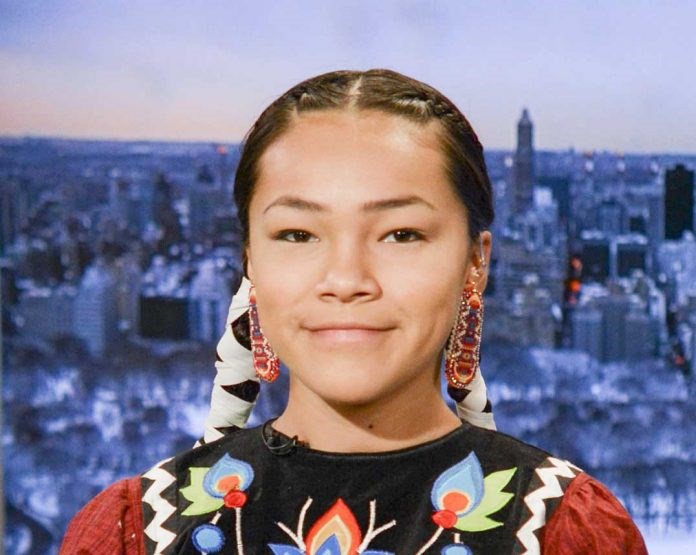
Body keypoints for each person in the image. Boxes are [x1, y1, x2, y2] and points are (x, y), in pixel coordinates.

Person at [61, 68, 647, 554]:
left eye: (399, 234)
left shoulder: (563, 530)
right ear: (250, 264)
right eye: (296, 234)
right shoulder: (134, 532)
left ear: (476, 263)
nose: (345, 280)